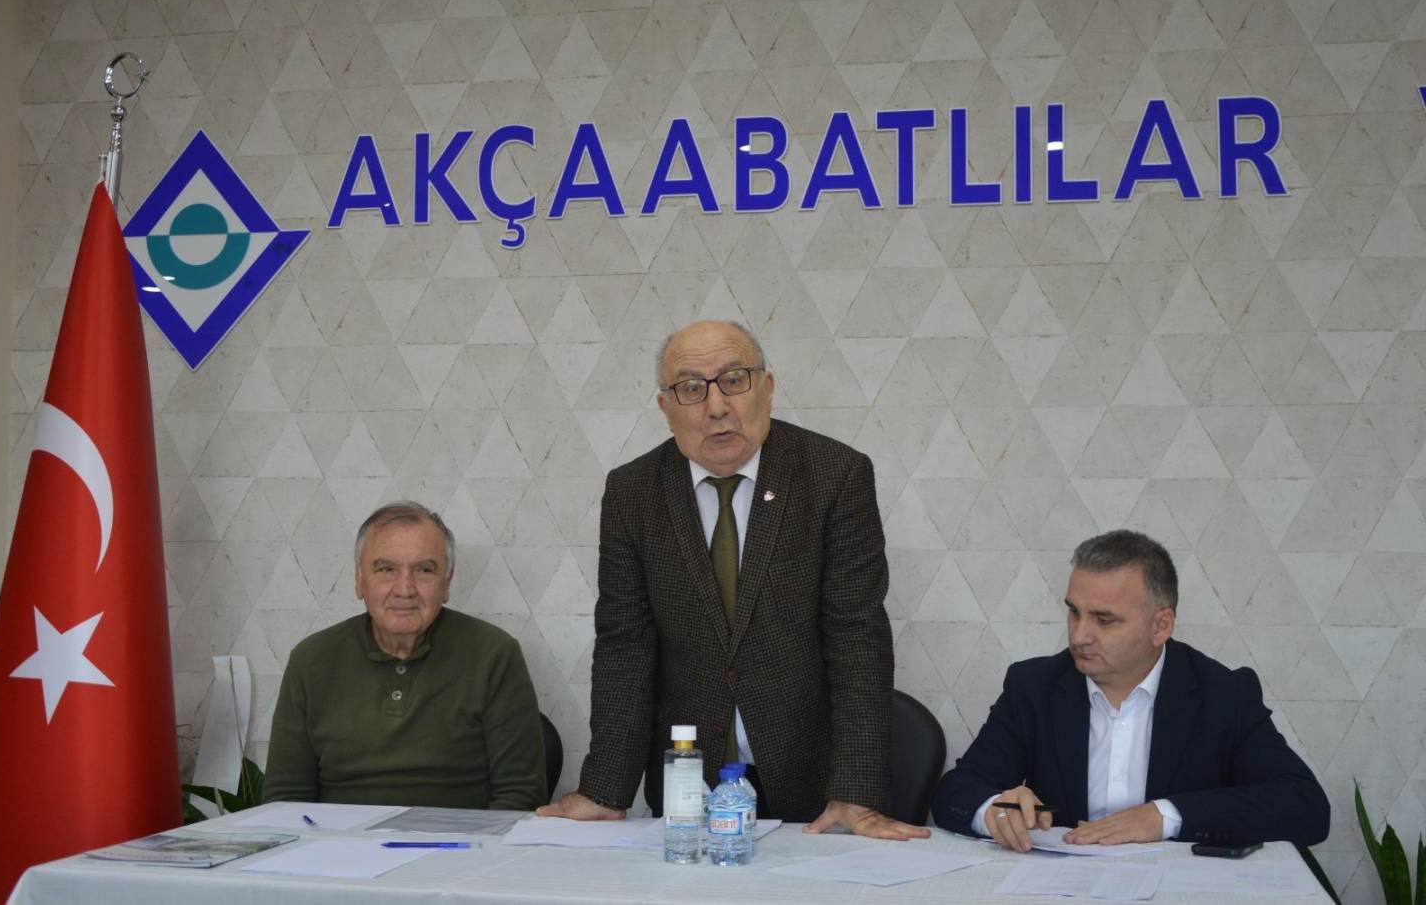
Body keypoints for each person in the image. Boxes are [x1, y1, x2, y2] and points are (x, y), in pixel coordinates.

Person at [538, 320, 927, 839]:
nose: (717, 406)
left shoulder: (834, 475)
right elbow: (625, 647)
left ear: (767, 387)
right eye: (691, 388)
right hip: (689, 783)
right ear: (665, 408)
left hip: (813, 781)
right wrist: (605, 791)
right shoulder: (633, 492)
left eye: (734, 380)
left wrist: (855, 790)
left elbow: (857, 639)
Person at [933, 529, 1330, 851]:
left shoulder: (1222, 695)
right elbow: (957, 790)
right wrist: (993, 810)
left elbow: (1305, 806)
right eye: (1074, 612)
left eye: (1104, 619)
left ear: (1161, 626)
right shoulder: (1034, 687)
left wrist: (1165, 817)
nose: (1079, 635)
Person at [263, 501, 546, 810]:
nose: (405, 589)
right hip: (337, 839)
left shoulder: (495, 655)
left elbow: (520, 796)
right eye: (386, 570)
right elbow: (284, 801)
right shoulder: (311, 661)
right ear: (359, 580)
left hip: (458, 838)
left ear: (447, 582)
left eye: (424, 570)